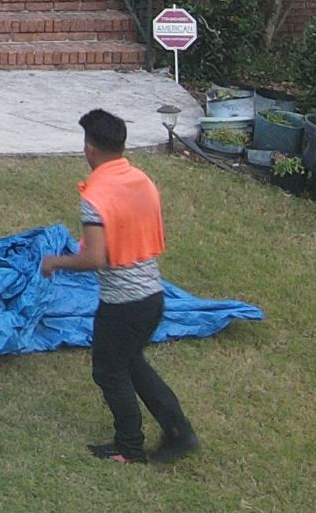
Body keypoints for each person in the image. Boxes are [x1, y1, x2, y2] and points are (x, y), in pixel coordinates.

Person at [39, 108, 198, 465]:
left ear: (90, 149)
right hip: (152, 296)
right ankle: (179, 432)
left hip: (122, 304)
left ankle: (129, 446)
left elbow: (94, 259)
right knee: (132, 365)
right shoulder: (140, 179)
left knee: (109, 371)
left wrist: (56, 262)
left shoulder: (96, 195)